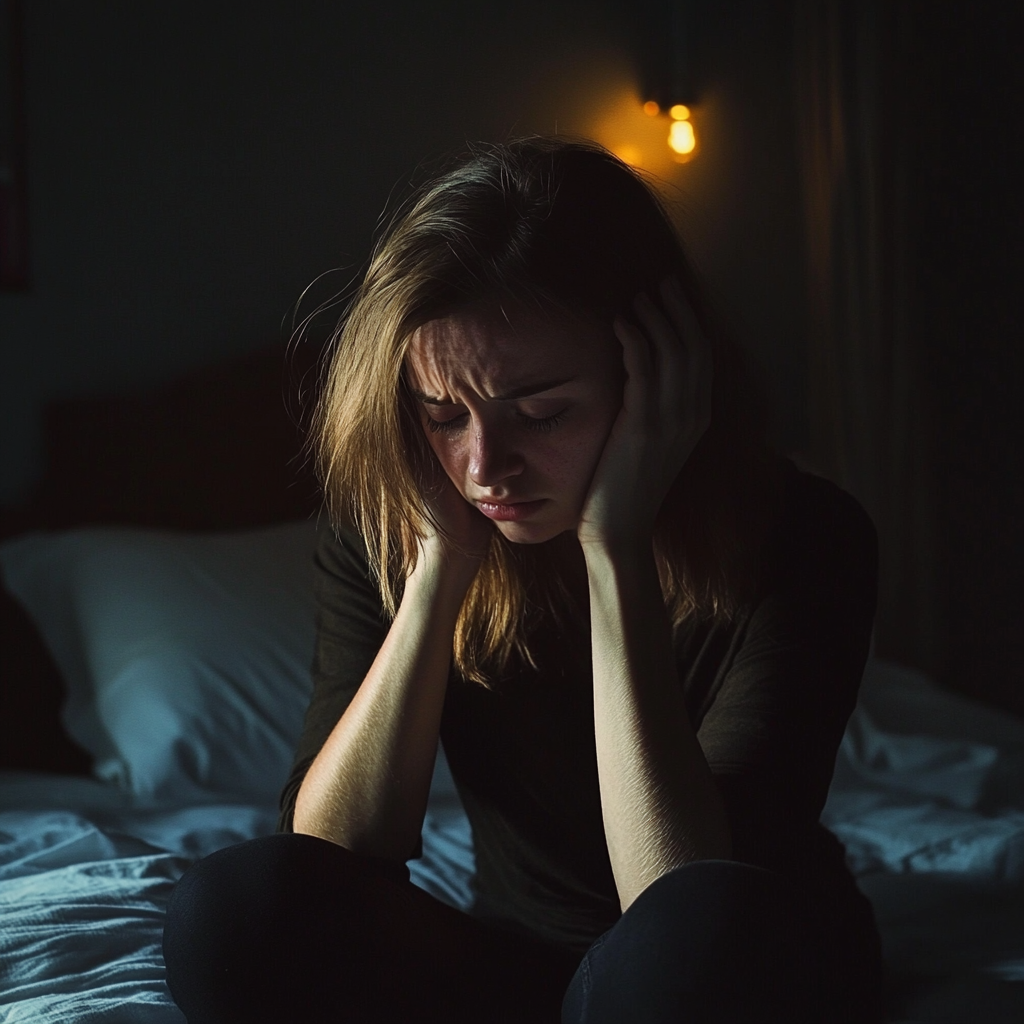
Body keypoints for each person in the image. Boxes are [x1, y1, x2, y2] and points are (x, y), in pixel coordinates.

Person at [163, 138, 885, 1023]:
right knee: (231, 911)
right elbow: (327, 861)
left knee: (692, 944)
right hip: (523, 964)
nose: (483, 466)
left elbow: (686, 893)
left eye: (541, 414)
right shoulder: (406, 526)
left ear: (659, 379)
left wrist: (613, 547)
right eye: (442, 416)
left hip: (732, 968)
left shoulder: (806, 536)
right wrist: (440, 569)